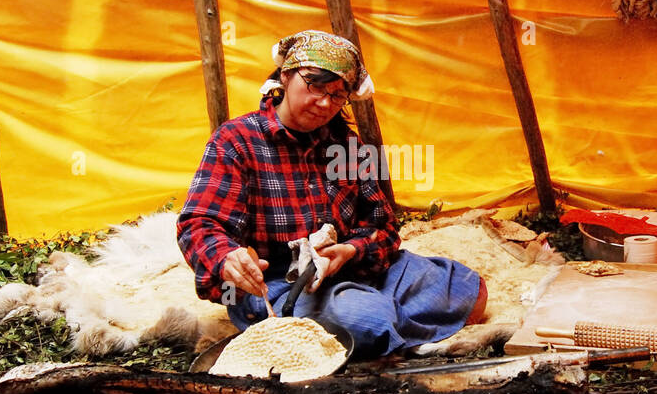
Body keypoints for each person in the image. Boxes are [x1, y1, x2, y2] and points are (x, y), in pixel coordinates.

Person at [177, 29, 487, 358]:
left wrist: (350, 251)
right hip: (281, 283)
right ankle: (373, 319)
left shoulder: (346, 146)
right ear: (285, 76)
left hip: (350, 270)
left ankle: (373, 314)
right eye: (315, 85)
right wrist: (226, 259)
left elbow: (382, 226)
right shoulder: (237, 141)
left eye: (339, 95)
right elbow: (199, 224)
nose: (325, 103)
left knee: (471, 291)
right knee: (364, 320)